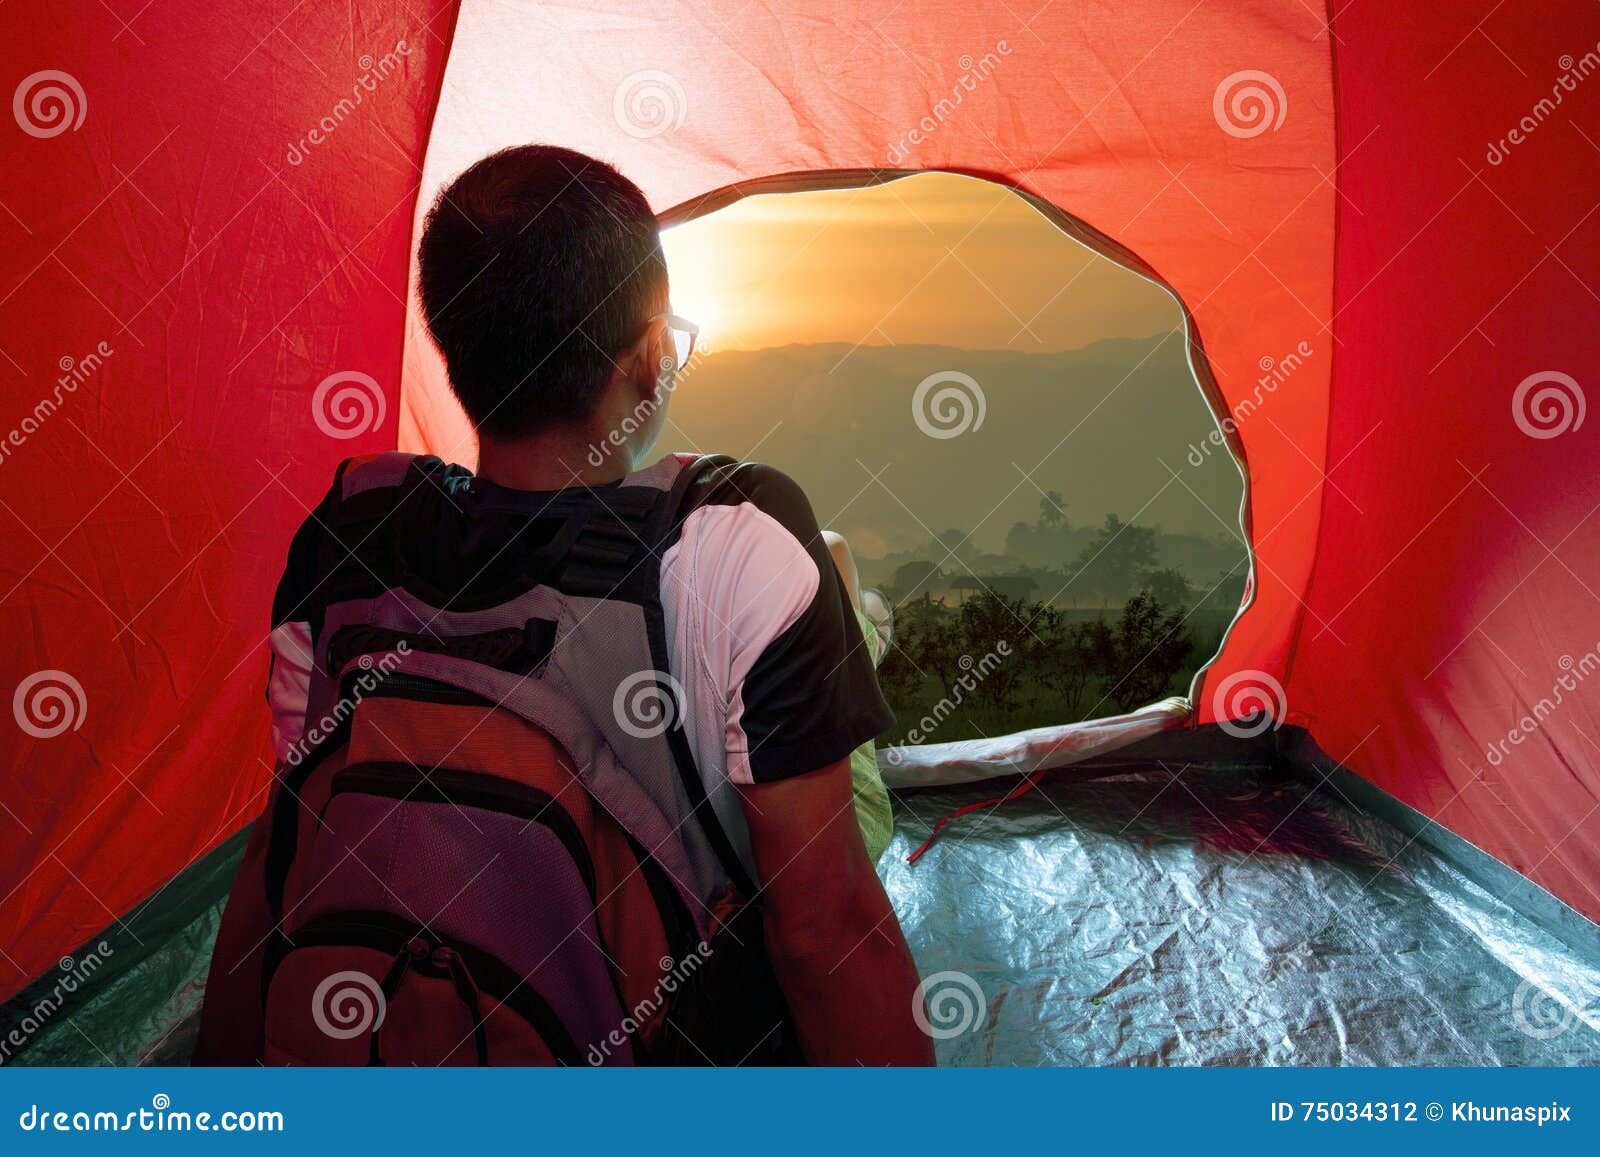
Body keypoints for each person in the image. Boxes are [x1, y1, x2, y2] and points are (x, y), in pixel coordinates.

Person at [195, 144, 932, 1066]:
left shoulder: (350, 532)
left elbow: (286, 842)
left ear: (453, 346)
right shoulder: (730, 539)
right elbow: (829, 934)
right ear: (650, 357)